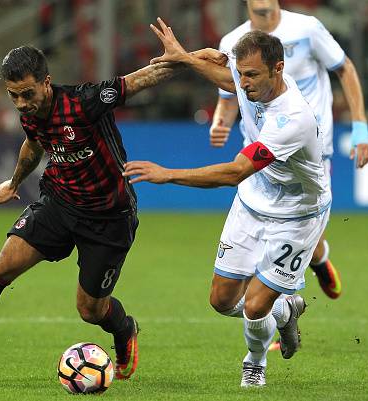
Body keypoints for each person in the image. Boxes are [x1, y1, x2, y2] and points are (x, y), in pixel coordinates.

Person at [0, 45, 183, 379]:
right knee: (2, 265)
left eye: (27, 94)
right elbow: (33, 145)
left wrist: (189, 59)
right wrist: (14, 181)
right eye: (13, 96)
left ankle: (124, 330)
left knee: (90, 309)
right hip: (60, 202)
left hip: (108, 215)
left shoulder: (84, 102)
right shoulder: (30, 114)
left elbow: (141, 79)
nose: (22, 104)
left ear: (47, 82)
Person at [124, 19, 331, 387]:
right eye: (242, 74)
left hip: (297, 215)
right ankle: (285, 310)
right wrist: (184, 58)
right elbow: (226, 80)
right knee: (221, 301)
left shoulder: (292, 118)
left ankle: (254, 362)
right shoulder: (256, 84)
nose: (243, 82)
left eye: (251, 75)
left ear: (278, 69)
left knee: (254, 306)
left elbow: (235, 172)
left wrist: (167, 174)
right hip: (253, 203)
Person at [209, 0, 368, 300]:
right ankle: (278, 316)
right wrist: (221, 121)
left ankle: (317, 259)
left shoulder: (307, 28)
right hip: (260, 150)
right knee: (262, 243)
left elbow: (344, 69)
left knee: (298, 229)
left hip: (310, 148)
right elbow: (230, 93)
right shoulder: (233, 42)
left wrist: (360, 127)